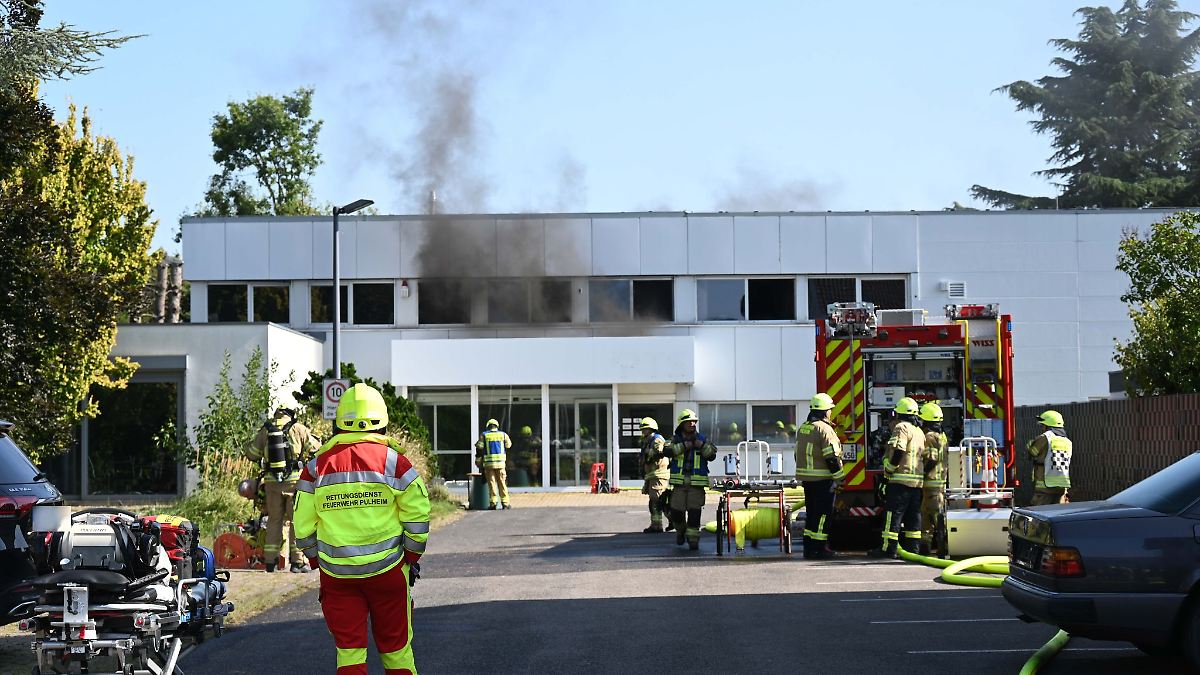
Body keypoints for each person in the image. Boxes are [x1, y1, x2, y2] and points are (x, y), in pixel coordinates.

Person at [293, 383, 430, 675]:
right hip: (389, 571)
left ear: (340, 421)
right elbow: (418, 517)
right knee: (397, 651)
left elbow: (302, 527)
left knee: (350, 653)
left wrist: (317, 560)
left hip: (337, 576)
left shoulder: (316, 468)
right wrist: (410, 557)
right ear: (382, 420)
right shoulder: (395, 462)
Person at [243, 406, 319, 573]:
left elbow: (252, 453)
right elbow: (315, 447)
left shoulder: (266, 430)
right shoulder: (297, 428)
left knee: (274, 520)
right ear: (290, 415)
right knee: (296, 521)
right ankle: (297, 562)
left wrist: (248, 445)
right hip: (294, 483)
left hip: (272, 483)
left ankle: (270, 561)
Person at [869, 397, 926, 559]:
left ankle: (888, 548)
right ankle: (912, 549)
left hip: (900, 481)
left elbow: (899, 450)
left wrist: (888, 472)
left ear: (898, 413)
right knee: (913, 517)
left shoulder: (901, 427)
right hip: (916, 483)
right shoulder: (919, 431)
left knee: (892, 516)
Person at [794, 393, 844, 559]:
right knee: (823, 515)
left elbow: (796, 453)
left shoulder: (804, 427)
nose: (831, 412)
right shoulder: (825, 429)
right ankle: (820, 548)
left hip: (808, 480)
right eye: (830, 410)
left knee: (812, 514)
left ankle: (809, 548)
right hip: (823, 480)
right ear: (825, 411)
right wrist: (840, 478)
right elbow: (831, 457)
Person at [665, 409, 717, 550]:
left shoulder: (702, 439)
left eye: (694, 422)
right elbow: (666, 451)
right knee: (676, 512)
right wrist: (684, 446)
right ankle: (681, 531)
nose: (692, 424)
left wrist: (701, 446)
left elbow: (712, 455)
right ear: (682, 424)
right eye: (689, 422)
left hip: (696, 484)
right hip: (679, 483)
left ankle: (693, 540)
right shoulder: (675, 439)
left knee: (694, 514)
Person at [918, 402, 948, 557]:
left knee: (936, 516)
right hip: (938, 482)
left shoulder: (929, 437)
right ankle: (925, 545)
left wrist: (921, 473)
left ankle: (944, 545)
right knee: (926, 514)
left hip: (931, 483)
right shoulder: (942, 436)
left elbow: (932, 459)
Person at [1027, 410, 1072, 505]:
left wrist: (1030, 445)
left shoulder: (1045, 437)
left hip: (1044, 486)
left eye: (1043, 425)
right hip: (1062, 486)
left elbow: (1032, 453)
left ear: (1047, 425)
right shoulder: (1067, 441)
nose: (1042, 428)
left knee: (1040, 512)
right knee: (1058, 512)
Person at [638, 417, 670, 533]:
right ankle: (656, 525)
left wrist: (647, 453)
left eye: (645, 429)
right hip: (652, 475)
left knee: (659, 500)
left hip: (658, 474)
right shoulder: (648, 440)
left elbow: (658, 452)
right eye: (643, 429)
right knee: (654, 501)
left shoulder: (657, 439)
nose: (643, 431)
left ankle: (674, 521)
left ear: (652, 429)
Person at [475, 419, 512, 509]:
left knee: (492, 483)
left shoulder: (484, 435)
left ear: (488, 426)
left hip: (489, 464)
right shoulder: (503, 435)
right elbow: (508, 445)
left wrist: (478, 459)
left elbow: (479, 447)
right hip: (500, 464)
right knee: (502, 483)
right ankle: (505, 503)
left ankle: (493, 503)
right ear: (497, 426)